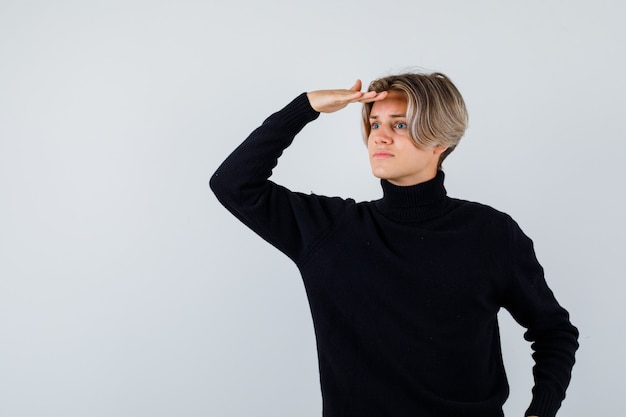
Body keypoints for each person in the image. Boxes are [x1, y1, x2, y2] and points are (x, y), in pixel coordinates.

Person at [209, 72, 578, 417]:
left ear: (441, 140)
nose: (379, 137)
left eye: (399, 124)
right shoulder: (330, 230)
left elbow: (553, 332)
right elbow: (233, 184)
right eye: (374, 124)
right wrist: (305, 106)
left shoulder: (491, 233)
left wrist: (540, 412)